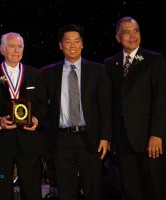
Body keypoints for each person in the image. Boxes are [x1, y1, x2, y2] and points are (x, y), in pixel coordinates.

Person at [41, 24, 112, 200]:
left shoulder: (97, 70)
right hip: (62, 139)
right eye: (68, 41)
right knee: (66, 190)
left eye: (76, 41)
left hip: (90, 137)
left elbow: (106, 106)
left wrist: (105, 137)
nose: (72, 45)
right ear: (60, 45)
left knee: (93, 189)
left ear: (82, 44)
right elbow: (43, 106)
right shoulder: (49, 73)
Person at [104, 16, 166, 200]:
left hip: (150, 140)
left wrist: (157, 134)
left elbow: (162, 99)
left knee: (155, 190)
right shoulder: (110, 64)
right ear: (118, 37)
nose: (132, 36)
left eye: (136, 31)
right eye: (126, 32)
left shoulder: (154, 60)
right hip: (122, 141)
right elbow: (108, 103)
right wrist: (109, 136)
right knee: (132, 192)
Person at [0, 32, 48, 200]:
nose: (17, 50)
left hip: (29, 141)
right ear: (2, 49)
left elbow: (43, 105)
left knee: (32, 190)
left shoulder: (35, 74)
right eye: (12, 46)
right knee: (2, 191)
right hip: (2, 141)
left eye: (20, 47)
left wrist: (36, 119)